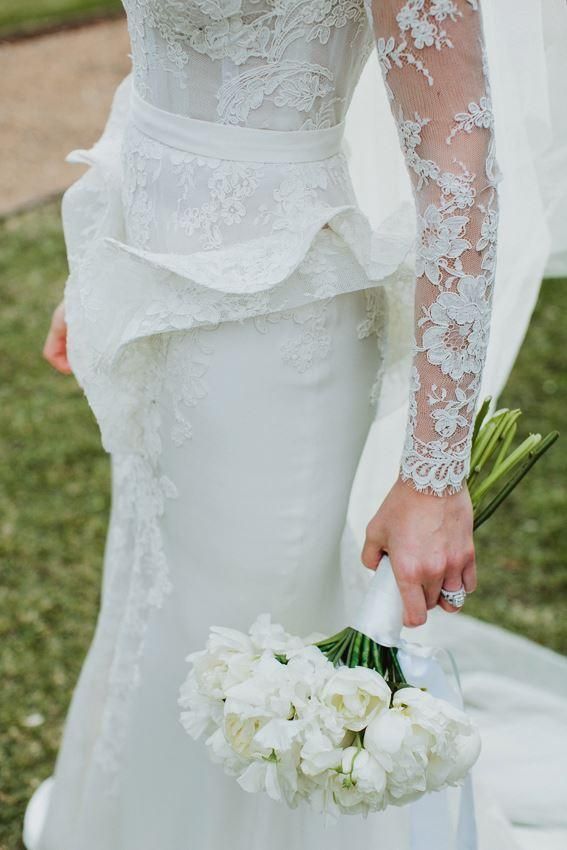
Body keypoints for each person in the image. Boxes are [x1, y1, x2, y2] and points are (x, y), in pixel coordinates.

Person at [26, 1, 567, 849]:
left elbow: (456, 155)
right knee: (159, 613)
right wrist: (97, 272)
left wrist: (432, 477)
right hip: (154, 302)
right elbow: (165, 68)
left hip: (278, 334)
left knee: (245, 657)